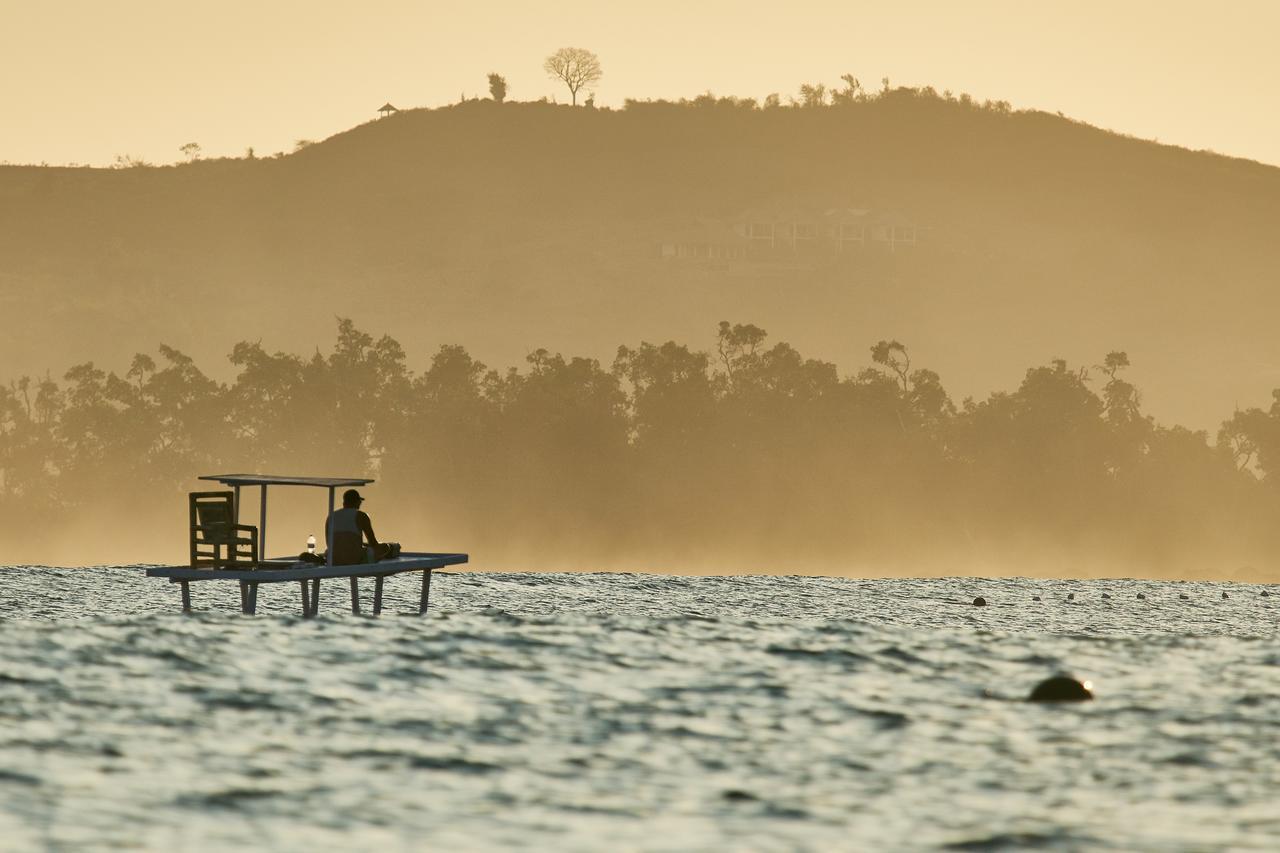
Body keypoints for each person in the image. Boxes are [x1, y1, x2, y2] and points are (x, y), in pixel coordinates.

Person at [325, 489, 394, 565]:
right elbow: (373, 542)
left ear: (344, 502)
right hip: (354, 560)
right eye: (360, 501)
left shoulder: (331, 516)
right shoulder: (361, 516)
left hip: (334, 560)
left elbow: (329, 543)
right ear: (357, 502)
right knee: (385, 547)